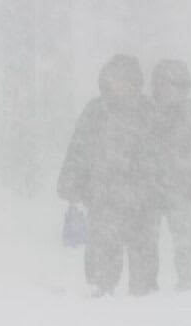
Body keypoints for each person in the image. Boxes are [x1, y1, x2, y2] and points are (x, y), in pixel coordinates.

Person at [57, 54, 162, 296]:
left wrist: (155, 184)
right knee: (102, 242)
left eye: (126, 79)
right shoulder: (96, 110)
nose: (120, 84)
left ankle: (144, 291)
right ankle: (102, 288)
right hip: (103, 189)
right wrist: (70, 182)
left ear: (136, 81)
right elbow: (79, 147)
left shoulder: (147, 110)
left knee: (143, 245)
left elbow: (159, 152)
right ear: (107, 79)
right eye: (116, 78)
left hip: (141, 192)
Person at [151, 59, 191, 291]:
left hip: (180, 188)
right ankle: (146, 282)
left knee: (183, 239)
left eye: (172, 85)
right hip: (151, 185)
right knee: (148, 238)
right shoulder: (148, 110)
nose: (166, 90)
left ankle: (187, 280)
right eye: (162, 84)